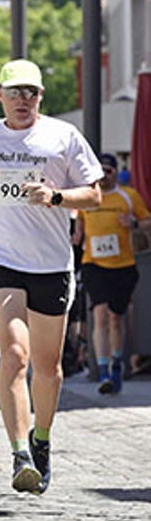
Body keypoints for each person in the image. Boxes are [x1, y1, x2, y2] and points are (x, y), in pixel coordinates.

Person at [0, 59, 102, 495]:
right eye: (14, 92)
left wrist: (56, 197)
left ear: (41, 97)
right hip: (0, 257)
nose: (22, 100)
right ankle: (19, 453)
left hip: (52, 263)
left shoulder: (62, 136)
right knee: (14, 354)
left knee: (47, 366)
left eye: (30, 92)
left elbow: (93, 194)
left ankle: (42, 438)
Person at [73, 152, 150, 395]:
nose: (104, 174)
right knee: (100, 313)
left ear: (115, 172)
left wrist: (134, 224)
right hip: (93, 263)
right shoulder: (87, 196)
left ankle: (117, 363)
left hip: (123, 265)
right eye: (100, 170)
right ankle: (103, 369)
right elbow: (79, 230)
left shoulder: (128, 196)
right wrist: (75, 238)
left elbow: (148, 221)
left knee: (117, 318)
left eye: (108, 170)